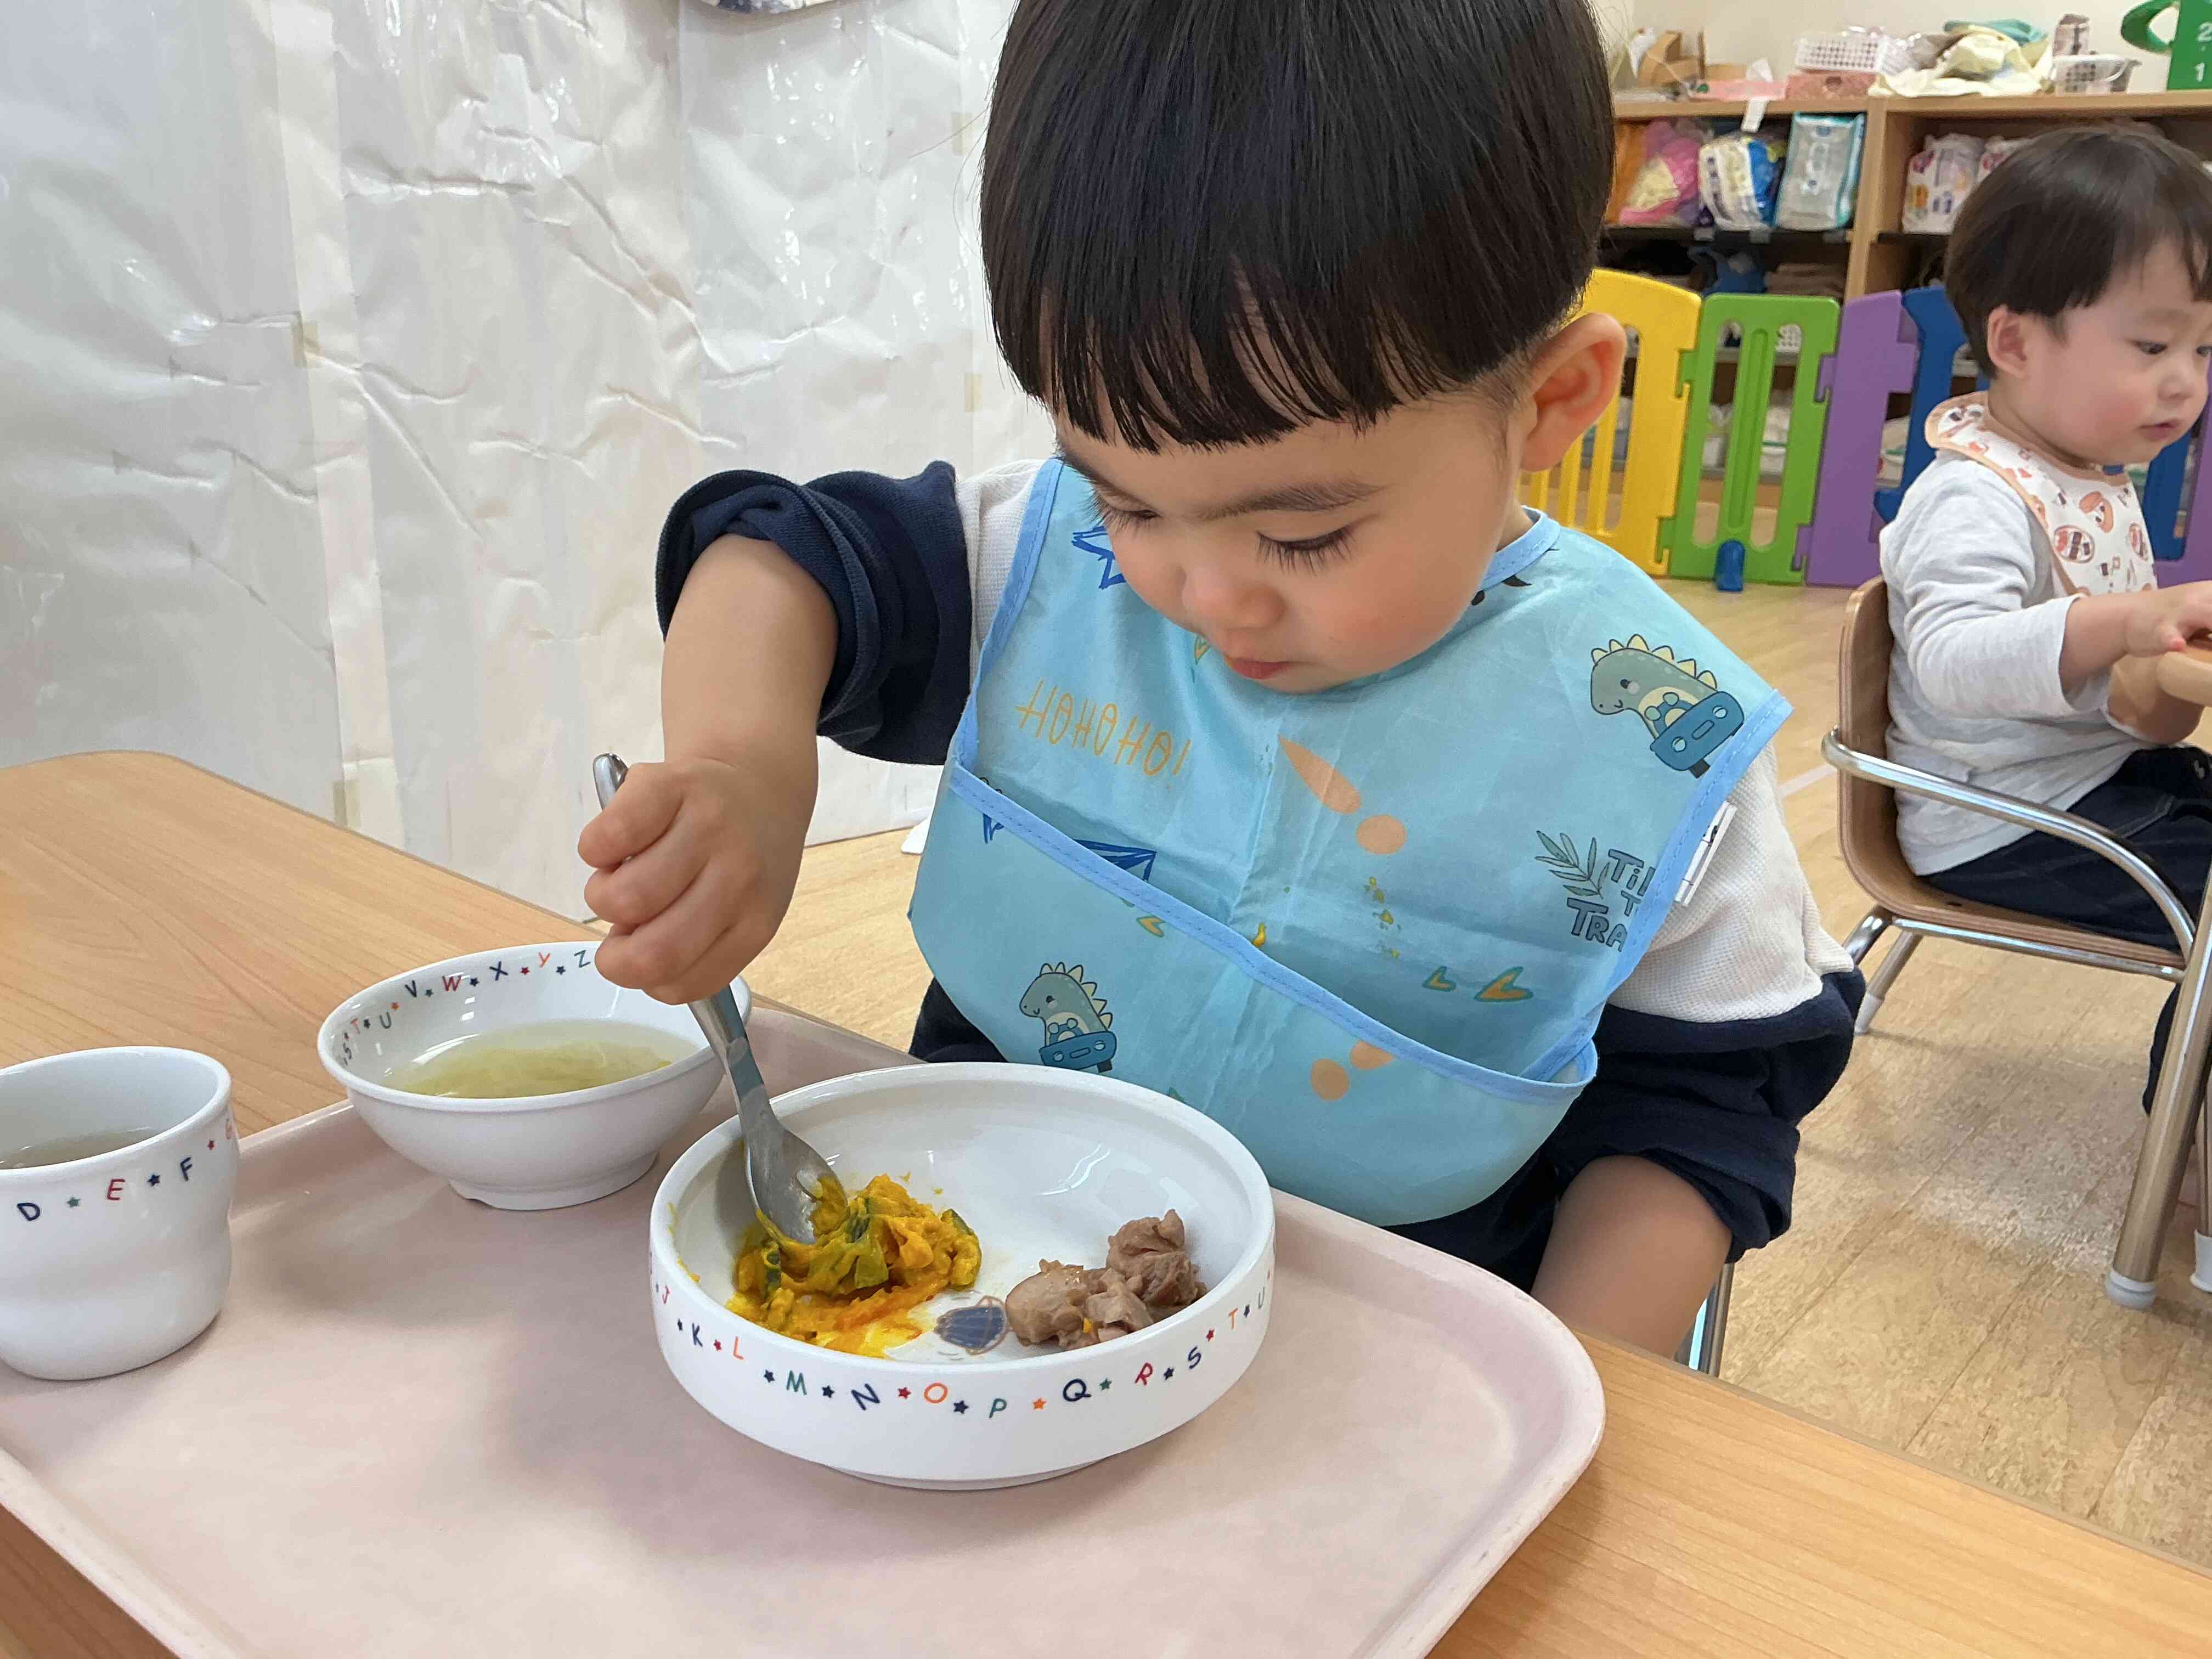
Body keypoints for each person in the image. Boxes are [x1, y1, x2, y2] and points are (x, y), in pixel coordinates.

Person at [580, 0, 1858, 1355]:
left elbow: (1701, 1117)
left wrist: (1566, 1390)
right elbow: (778, 558)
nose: (1198, 591)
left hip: (1386, 1363)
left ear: (1549, 401)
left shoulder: (1655, 741)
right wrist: (743, 770)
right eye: (1124, 498)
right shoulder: (1043, 563)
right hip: (973, 1317)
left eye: (1302, 532)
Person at [1883, 126, 2212, 1107]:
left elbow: (2117, 677)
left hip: (2094, 782)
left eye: (2204, 346)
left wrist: (2153, 658)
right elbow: (1950, 659)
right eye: (2152, 345)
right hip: (2001, 823)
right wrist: (2128, 622)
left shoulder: (2091, 477)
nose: (2185, 379)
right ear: (2017, 341)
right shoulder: (1972, 496)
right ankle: (2191, 1164)